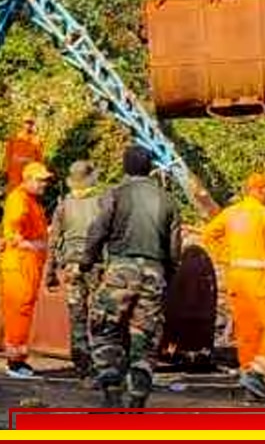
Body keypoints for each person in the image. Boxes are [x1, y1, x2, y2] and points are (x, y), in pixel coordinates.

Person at [81, 146, 182, 408]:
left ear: (126, 167)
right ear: (149, 168)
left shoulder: (115, 194)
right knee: (144, 338)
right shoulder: (167, 199)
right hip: (154, 274)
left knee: (105, 330)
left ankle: (112, 395)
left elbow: (98, 230)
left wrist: (86, 261)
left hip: (120, 271)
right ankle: (137, 402)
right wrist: (168, 276)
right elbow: (174, 248)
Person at [201, 172, 265, 399]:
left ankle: (248, 385)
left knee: (246, 334)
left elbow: (208, 235)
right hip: (258, 280)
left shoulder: (231, 213)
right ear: (261, 190)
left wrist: (225, 257)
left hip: (236, 280)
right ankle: (258, 371)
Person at [46, 160, 104, 379]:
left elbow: (53, 241)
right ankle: (102, 364)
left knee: (77, 317)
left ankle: (82, 367)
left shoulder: (63, 206)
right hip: (97, 266)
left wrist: (49, 272)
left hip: (71, 267)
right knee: (100, 317)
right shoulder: (102, 203)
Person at [0, 161, 53, 378]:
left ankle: (18, 359)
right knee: (18, 313)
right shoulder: (19, 199)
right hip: (19, 266)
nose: (44, 185)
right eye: (40, 180)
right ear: (28, 179)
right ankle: (14, 362)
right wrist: (36, 245)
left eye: (45, 181)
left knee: (24, 312)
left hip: (26, 265)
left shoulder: (31, 200)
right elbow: (12, 234)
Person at [2, 116, 44, 193]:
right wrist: (6, 169)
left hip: (29, 175)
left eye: (30, 123)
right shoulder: (14, 138)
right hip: (14, 174)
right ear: (22, 124)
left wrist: (39, 173)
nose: (28, 125)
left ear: (33, 125)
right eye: (26, 123)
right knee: (14, 193)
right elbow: (8, 154)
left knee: (27, 194)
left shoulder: (36, 140)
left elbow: (40, 159)